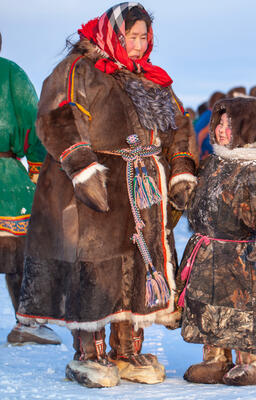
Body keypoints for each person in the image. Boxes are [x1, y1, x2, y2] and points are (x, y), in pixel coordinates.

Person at [16, 2, 198, 388]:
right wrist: (82, 168)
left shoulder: (153, 80)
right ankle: (89, 352)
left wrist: (181, 168)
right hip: (94, 183)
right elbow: (56, 117)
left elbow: (179, 126)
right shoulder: (79, 70)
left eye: (144, 36)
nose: (138, 43)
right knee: (94, 264)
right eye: (131, 36)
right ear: (112, 34)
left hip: (143, 184)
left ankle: (127, 350)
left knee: (139, 263)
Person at [178, 97, 256, 386]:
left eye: (230, 124)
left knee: (244, 314)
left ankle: (253, 363)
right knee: (210, 309)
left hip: (244, 258)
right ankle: (215, 359)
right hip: (210, 252)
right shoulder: (213, 162)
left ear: (248, 128)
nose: (221, 130)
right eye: (219, 123)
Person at [0, 33, 60, 345]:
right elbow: (32, 124)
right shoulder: (11, 73)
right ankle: (27, 323)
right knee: (20, 255)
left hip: (6, 176)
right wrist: (37, 168)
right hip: (6, 182)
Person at [194, 91, 225, 160]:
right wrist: (199, 150)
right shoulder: (213, 115)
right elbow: (202, 133)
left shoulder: (206, 114)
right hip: (205, 152)